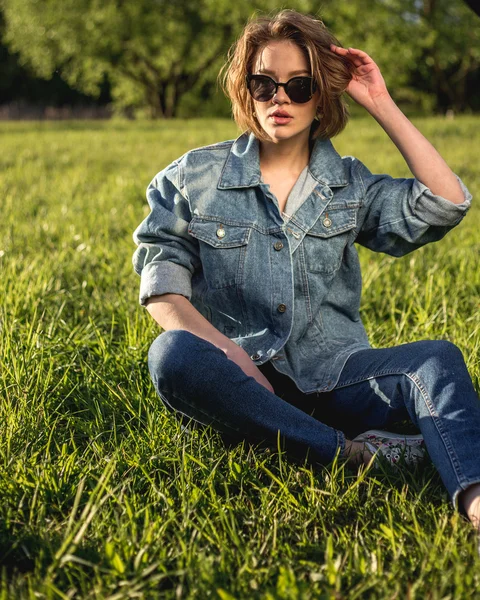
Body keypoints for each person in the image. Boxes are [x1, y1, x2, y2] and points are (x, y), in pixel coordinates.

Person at [132, 10, 480, 534]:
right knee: (172, 354)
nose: (280, 99)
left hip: (336, 375)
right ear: (245, 89)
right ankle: (352, 454)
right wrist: (233, 358)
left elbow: (444, 204)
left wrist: (380, 103)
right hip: (242, 383)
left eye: (300, 86)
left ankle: (474, 497)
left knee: (436, 360)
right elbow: (162, 288)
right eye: (264, 84)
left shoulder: (349, 185)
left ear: (322, 97)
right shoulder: (192, 178)